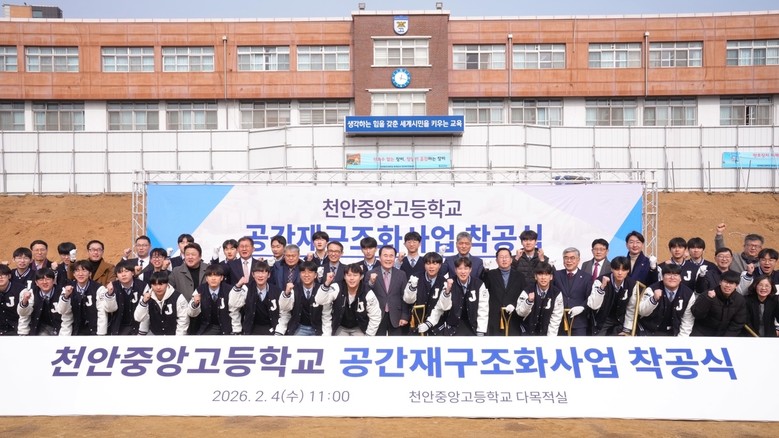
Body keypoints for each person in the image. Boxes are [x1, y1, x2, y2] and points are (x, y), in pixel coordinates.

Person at [420, 257, 488, 336]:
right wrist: (447, 291)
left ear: (470, 270)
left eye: (466, 268)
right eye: (460, 269)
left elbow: (483, 309)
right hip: (452, 328)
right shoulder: (448, 283)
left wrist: (481, 331)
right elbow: (441, 307)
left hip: (473, 327)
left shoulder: (479, 284)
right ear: (455, 270)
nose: (463, 272)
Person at [627, 264, 696, 337]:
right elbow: (641, 312)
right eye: (668, 274)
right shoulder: (651, 289)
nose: (672, 277)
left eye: (676, 275)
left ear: (680, 278)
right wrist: (653, 299)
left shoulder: (688, 294)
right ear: (662, 277)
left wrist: (681, 339)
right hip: (648, 331)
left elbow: (687, 320)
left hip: (673, 333)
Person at [316, 263, 381, 336]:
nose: (351, 278)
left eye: (355, 275)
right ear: (344, 276)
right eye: (349, 275)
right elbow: (319, 301)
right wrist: (327, 284)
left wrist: (369, 335)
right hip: (340, 326)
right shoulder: (336, 287)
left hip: (360, 327)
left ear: (361, 277)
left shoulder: (367, 292)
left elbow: (376, 316)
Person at [587, 256, 640, 336]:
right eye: (617, 269)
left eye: (623, 270)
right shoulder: (600, 280)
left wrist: (627, 329)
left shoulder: (632, 284)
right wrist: (602, 287)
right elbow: (594, 305)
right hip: (602, 320)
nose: (620, 273)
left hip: (621, 322)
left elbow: (631, 308)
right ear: (611, 269)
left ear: (628, 270)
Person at [57, 260, 113, 335]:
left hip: (94, 331)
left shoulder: (99, 288)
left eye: (84, 270)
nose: (80, 274)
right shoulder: (68, 288)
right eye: (77, 271)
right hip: (75, 331)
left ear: (90, 273)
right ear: (73, 274)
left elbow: (102, 313)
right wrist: (66, 296)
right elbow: (61, 311)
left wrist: (101, 334)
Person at [187, 264, 243, 335]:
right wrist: (195, 304)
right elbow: (191, 314)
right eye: (210, 276)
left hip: (227, 328)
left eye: (216, 275)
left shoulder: (229, 290)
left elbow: (235, 312)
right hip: (206, 328)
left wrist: (236, 331)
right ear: (206, 278)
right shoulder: (199, 290)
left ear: (222, 278)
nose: (213, 278)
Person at [366, 245, 409, 336]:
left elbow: (405, 297)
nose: (388, 259)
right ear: (379, 257)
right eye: (385, 256)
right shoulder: (370, 273)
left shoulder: (401, 274)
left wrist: (404, 316)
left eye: (391, 256)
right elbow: (365, 293)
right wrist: (371, 282)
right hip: (377, 315)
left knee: (396, 343)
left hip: (396, 315)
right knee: (378, 343)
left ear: (395, 258)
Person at [230, 261, 282, 335]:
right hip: (251, 329)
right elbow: (233, 305)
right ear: (253, 275)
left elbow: (283, 313)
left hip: (272, 328)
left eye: (263, 272)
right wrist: (238, 285)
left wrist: (279, 331)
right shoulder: (246, 289)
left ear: (269, 275)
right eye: (257, 272)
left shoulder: (277, 291)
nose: (260, 276)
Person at [402, 252, 449, 332]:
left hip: (436, 328)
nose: (431, 266)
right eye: (428, 263)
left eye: (434, 263)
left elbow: (442, 307)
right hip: (416, 325)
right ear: (424, 265)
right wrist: (412, 287)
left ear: (440, 265)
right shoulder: (415, 277)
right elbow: (408, 300)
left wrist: (429, 323)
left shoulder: (444, 282)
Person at [483, 247, 525, 336]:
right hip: (495, 317)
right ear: (496, 260)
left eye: (506, 257)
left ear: (511, 259)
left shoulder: (520, 276)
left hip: (514, 317)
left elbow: (523, 296)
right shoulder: (489, 275)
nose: (504, 259)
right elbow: (483, 294)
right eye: (501, 257)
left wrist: (514, 305)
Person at [690, 270, 747, 337]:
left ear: (736, 286)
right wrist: (708, 299)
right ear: (720, 282)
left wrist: (726, 338)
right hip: (702, 334)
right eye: (725, 282)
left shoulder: (740, 300)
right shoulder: (707, 294)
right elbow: (697, 314)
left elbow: (738, 323)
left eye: (731, 283)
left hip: (724, 337)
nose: (727, 285)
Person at [515, 262, 564, 336]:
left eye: (546, 274)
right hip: (526, 332)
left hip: (546, 333)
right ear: (535, 276)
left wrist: (550, 339)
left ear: (551, 277)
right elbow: (520, 312)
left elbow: (556, 318)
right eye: (540, 274)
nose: (543, 277)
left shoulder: (556, 293)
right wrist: (528, 302)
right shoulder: (527, 291)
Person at [134, 270, 189, 336]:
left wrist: (178, 339)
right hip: (154, 334)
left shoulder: (178, 297)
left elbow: (183, 320)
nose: (158, 287)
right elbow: (138, 318)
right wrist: (144, 302)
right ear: (151, 285)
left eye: (161, 284)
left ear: (167, 284)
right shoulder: (146, 296)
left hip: (174, 335)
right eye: (154, 284)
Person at [276, 261, 324, 336]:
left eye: (310, 272)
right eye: (303, 272)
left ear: (315, 275)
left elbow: (326, 314)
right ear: (300, 274)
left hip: (318, 328)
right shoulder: (293, 289)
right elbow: (284, 309)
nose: (306, 275)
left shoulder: (322, 290)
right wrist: (286, 293)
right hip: (299, 327)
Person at [552, 248, 590, 336]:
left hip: (579, 322)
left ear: (578, 260)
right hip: (559, 321)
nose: (569, 261)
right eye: (566, 258)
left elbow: (590, 297)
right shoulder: (556, 275)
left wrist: (582, 307)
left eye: (572, 258)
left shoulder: (587, 277)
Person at [104, 260, 148, 335]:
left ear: (133, 273)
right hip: (118, 328)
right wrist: (110, 294)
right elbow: (110, 309)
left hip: (138, 327)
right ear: (116, 275)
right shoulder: (112, 287)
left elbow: (146, 312)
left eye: (126, 271)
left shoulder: (143, 286)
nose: (123, 275)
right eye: (120, 272)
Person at [17, 268, 64, 336]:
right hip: (40, 329)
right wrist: (24, 301)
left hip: (61, 327)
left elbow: (67, 316)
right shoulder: (31, 293)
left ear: (53, 280)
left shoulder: (62, 292)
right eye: (41, 280)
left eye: (48, 279)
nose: (44, 282)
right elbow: (23, 314)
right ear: (36, 283)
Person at [0, 264, 24, 335]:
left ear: (9, 276)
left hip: (16, 328)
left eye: (3, 275)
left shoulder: (20, 289)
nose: (0, 277)